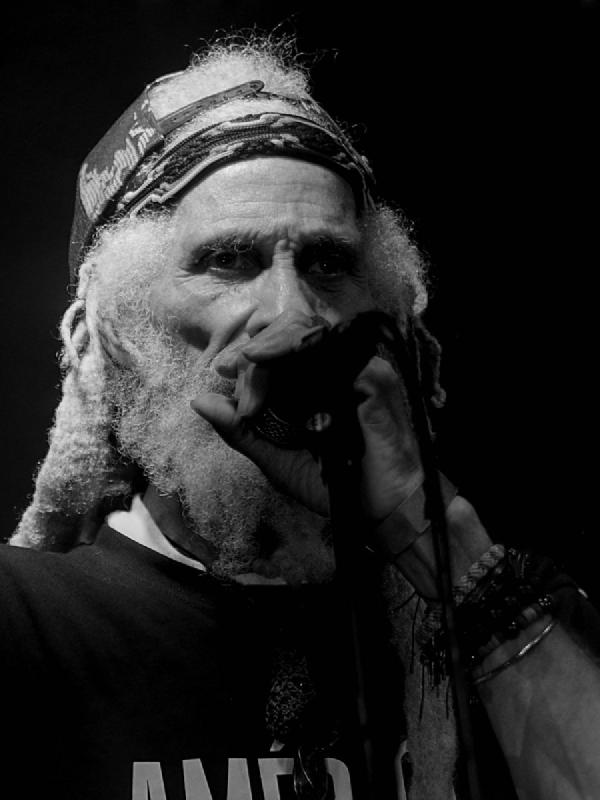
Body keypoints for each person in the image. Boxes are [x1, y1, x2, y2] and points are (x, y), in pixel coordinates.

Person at [2, 34, 599, 800]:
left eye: (327, 263)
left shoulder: (505, 618)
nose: (293, 316)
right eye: (228, 260)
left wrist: (434, 536)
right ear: (113, 336)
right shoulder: (26, 624)